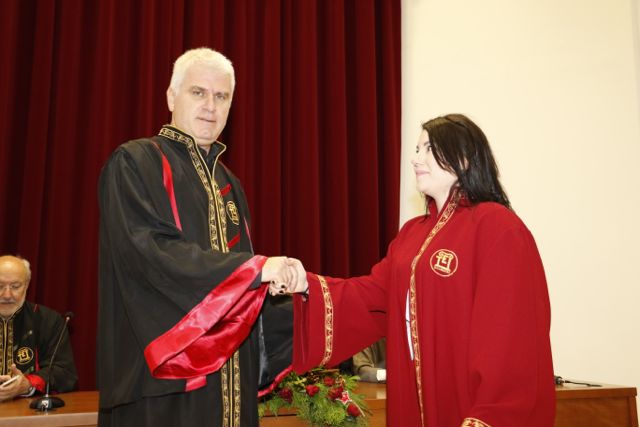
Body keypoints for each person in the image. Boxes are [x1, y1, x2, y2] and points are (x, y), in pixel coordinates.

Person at [287, 114, 555, 426]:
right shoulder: (412, 235)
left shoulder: (497, 226)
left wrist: (489, 413)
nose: (416, 159)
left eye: (428, 148)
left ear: (464, 158)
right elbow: (371, 297)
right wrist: (306, 285)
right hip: (413, 400)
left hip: (467, 402)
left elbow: (511, 333)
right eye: (416, 150)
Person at [97, 48, 302, 427]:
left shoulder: (230, 183)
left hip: (231, 383)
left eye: (221, 96)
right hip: (161, 383)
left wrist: (303, 299)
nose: (211, 106)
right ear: (171, 97)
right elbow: (151, 255)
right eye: (198, 92)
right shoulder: (135, 162)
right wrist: (255, 269)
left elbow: (241, 293)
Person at [0, 255, 77, 402]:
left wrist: (27, 384)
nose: (7, 295)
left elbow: (64, 372)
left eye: (15, 286)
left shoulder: (48, 320)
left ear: (27, 285)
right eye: (0, 286)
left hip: (28, 410)